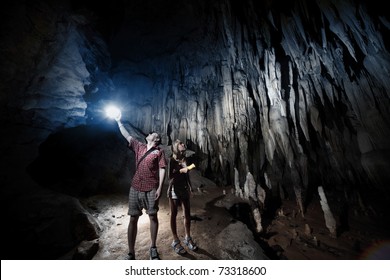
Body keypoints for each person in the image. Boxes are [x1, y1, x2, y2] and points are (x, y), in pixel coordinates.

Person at [115, 113, 166, 260]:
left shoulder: (159, 152)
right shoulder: (139, 147)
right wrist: (119, 122)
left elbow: (162, 168)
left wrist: (160, 188)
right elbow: (127, 136)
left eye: (153, 134)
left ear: (156, 139)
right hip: (135, 187)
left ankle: (153, 247)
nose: (150, 134)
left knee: (153, 216)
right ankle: (131, 252)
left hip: (151, 187)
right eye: (151, 133)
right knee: (133, 218)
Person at [167, 139, 198, 255]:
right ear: (175, 146)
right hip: (174, 189)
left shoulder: (185, 159)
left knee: (187, 214)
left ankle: (188, 237)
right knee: (174, 214)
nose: (183, 144)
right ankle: (175, 240)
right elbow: (170, 176)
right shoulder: (171, 160)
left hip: (184, 188)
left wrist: (190, 186)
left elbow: (187, 175)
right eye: (180, 143)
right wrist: (181, 169)